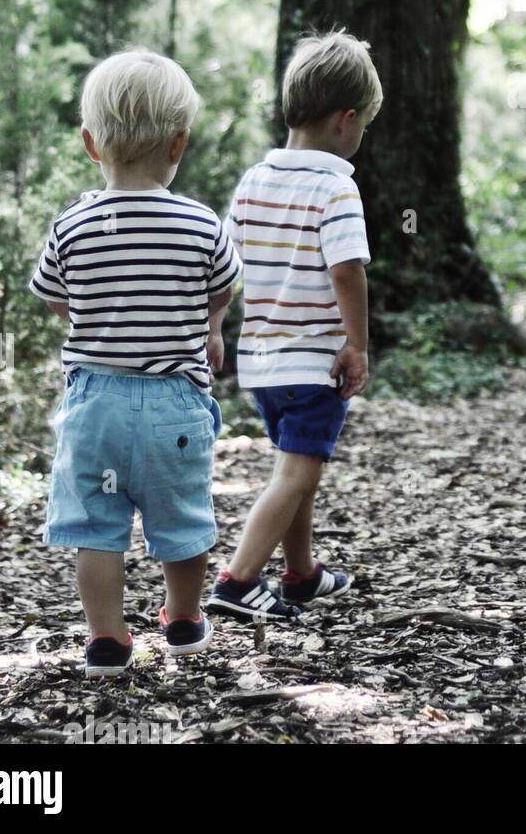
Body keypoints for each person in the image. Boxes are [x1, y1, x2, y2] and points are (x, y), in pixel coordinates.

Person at [31, 50, 239, 676]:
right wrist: (211, 326)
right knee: (183, 517)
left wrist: (95, 321)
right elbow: (224, 284)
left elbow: (53, 295)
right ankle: (181, 617)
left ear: (90, 144)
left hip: (96, 404)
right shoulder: (201, 222)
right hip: (173, 402)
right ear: (179, 143)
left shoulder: (74, 223)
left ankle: (107, 638)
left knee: (95, 525)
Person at [208, 31, 378, 622]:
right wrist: (355, 343)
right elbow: (347, 271)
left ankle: (301, 574)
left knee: (295, 464)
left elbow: (223, 264)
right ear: (346, 120)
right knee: (294, 473)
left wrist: (215, 326)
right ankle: (237, 580)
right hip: (313, 360)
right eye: (364, 127)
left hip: (261, 362)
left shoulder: (255, 179)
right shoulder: (336, 186)